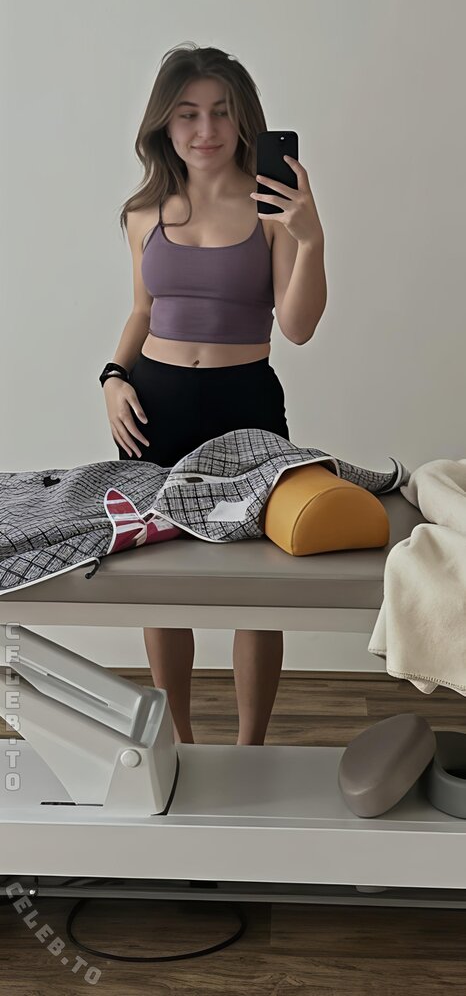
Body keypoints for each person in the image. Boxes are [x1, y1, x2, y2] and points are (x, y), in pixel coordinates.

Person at [100, 43, 327, 746]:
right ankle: (181, 742)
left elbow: (297, 327)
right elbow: (142, 312)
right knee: (161, 585)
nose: (206, 130)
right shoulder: (144, 212)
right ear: (164, 124)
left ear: (244, 119)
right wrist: (112, 379)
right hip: (154, 405)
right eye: (188, 114)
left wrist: (311, 241)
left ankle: (251, 748)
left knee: (258, 589)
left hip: (244, 402)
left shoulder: (271, 210)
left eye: (221, 112)